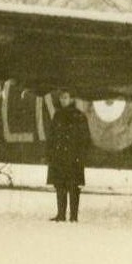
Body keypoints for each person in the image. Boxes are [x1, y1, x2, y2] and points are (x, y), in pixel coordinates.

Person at [46, 89, 90, 222]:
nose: (63, 100)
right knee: (60, 185)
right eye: (61, 98)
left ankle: (73, 216)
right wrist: (50, 154)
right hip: (59, 157)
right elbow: (52, 137)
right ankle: (60, 214)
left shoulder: (79, 116)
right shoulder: (57, 115)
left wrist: (81, 156)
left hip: (73, 157)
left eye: (66, 97)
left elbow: (85, 139)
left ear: (72, 99)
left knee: (73, 186)